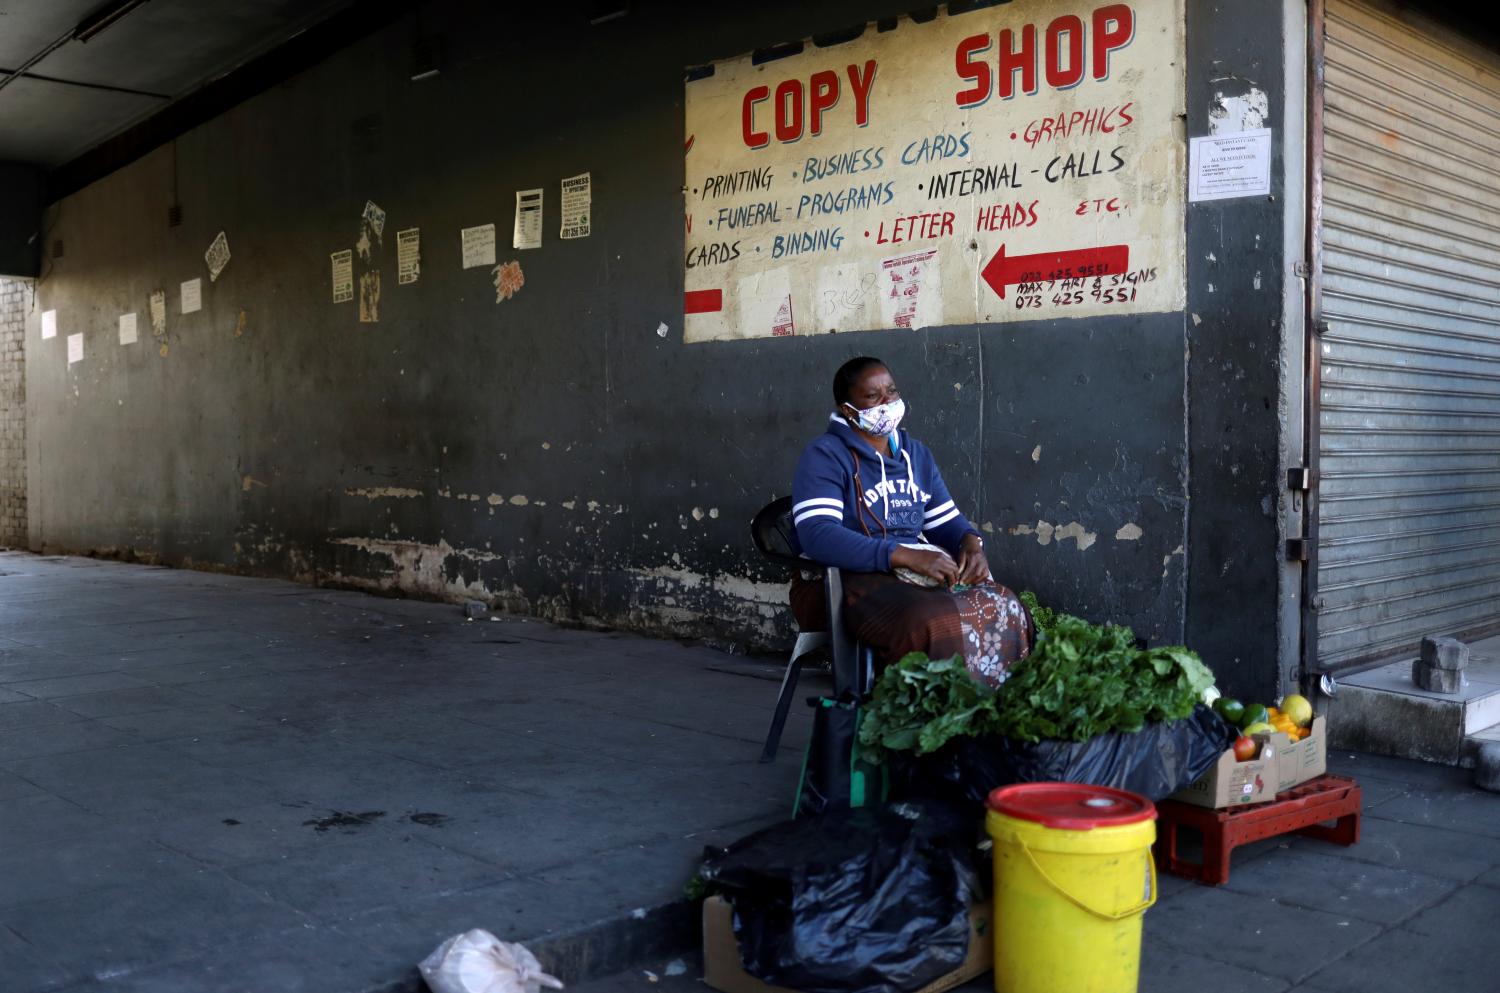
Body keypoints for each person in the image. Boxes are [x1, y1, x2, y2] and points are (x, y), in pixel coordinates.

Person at [790, 356, 1031, 686]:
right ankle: (928, 720)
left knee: (1004, 605)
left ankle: (992, 715)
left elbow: (946, 521)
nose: (888, 403)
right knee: (932, 622)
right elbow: (817, 536)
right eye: (873, 397)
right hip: (849, 581)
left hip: (911, 575)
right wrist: (905, 554)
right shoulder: (825, 455)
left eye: (891, 391)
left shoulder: (916, 455)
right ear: (848, 410)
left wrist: (972, 544)